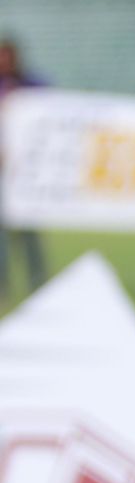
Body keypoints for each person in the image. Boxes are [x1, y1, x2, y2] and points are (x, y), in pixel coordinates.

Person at [0, 38, 49, 300]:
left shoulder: (30, 85)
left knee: (29, 228)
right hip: (2, 168)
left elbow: (50, 110)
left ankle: (38, 283)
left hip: (29, 171)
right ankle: (3, 285)